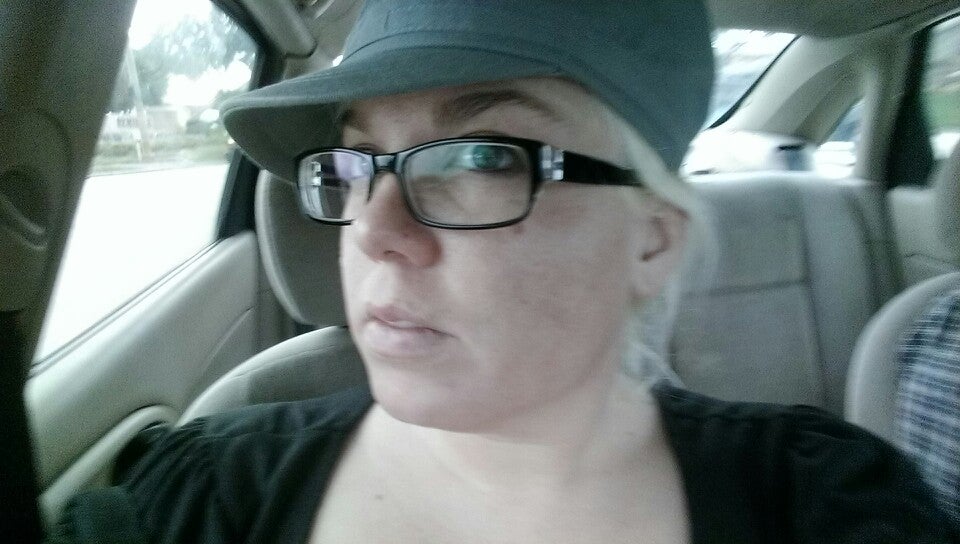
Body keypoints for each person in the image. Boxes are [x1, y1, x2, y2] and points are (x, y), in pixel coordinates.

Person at [51, 1, 956, 543]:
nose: (375, 231)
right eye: (356, 165)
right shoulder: (210, 499)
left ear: (652, 241)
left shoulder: (820, 504)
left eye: (482, 157)